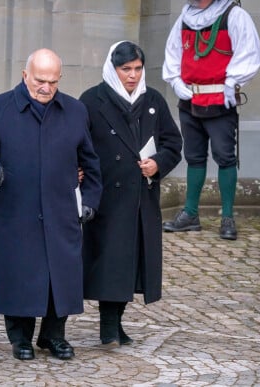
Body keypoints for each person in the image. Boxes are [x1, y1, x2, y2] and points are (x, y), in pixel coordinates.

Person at [0, 48, 103, 361]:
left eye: (53, 82)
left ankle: (54, 336)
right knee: (20, 274)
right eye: (40, 80)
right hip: (17, 208)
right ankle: (20, 338)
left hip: (61, 209)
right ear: (25, 75)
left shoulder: (75, 110)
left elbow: (90, 162)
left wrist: (91, 200)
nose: (46, 87)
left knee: (61, 277)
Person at [80, 41, 182, 346]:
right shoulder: (91, 101)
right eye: (126, 69)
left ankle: (114, 324)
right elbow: (76, 142)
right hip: (107, 197)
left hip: (140, 198)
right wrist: (78, 169)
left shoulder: (153, 100)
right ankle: (107, 325)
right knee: (110, 263)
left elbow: (173, 144)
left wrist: (158, 163)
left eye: (138, 69)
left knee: (131, 264)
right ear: (113, 69)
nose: (133, 75)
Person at [162, 0, 260, 240]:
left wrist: (232, 82)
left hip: (220, 99)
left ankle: (227, 216)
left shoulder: (234, 16)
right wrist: (175, 80)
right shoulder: (185, 18)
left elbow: (248, 50)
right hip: (190, 100)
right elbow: (174, 51)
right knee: (194, 156)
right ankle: (190, 214)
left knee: (225, 157)